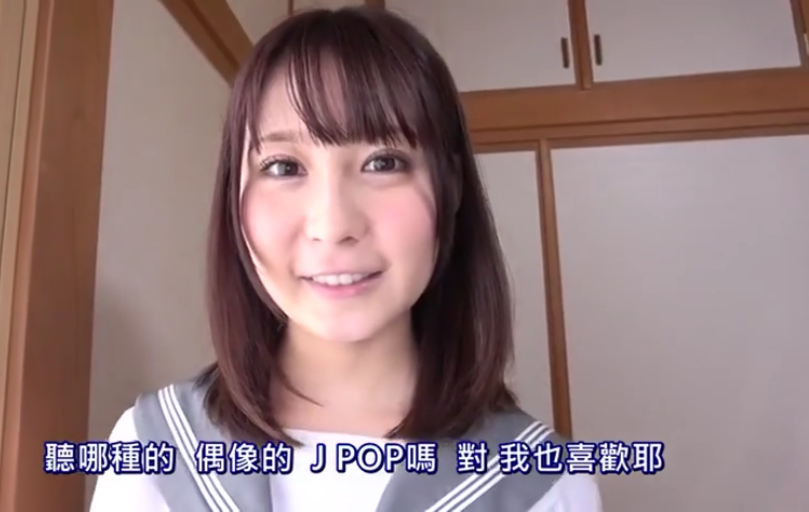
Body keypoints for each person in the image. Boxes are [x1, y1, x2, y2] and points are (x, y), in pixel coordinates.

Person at [90, 6, 602, 512]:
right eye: (284, 167)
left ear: (450, 187)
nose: (333, 225)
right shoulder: (152, 453)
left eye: (383, 162)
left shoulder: (545, 483)